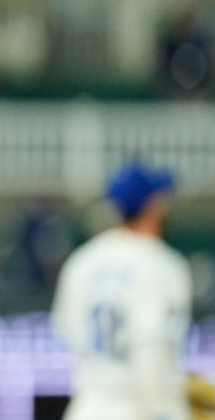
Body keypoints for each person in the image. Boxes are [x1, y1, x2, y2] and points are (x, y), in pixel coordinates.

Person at [51, 161, 191, 420]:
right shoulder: (161, 264)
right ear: (152, 206)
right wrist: (163, 412)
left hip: (87, 409)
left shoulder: (81, 262)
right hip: (137, 411)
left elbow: (67, 335)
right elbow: (150, 353)